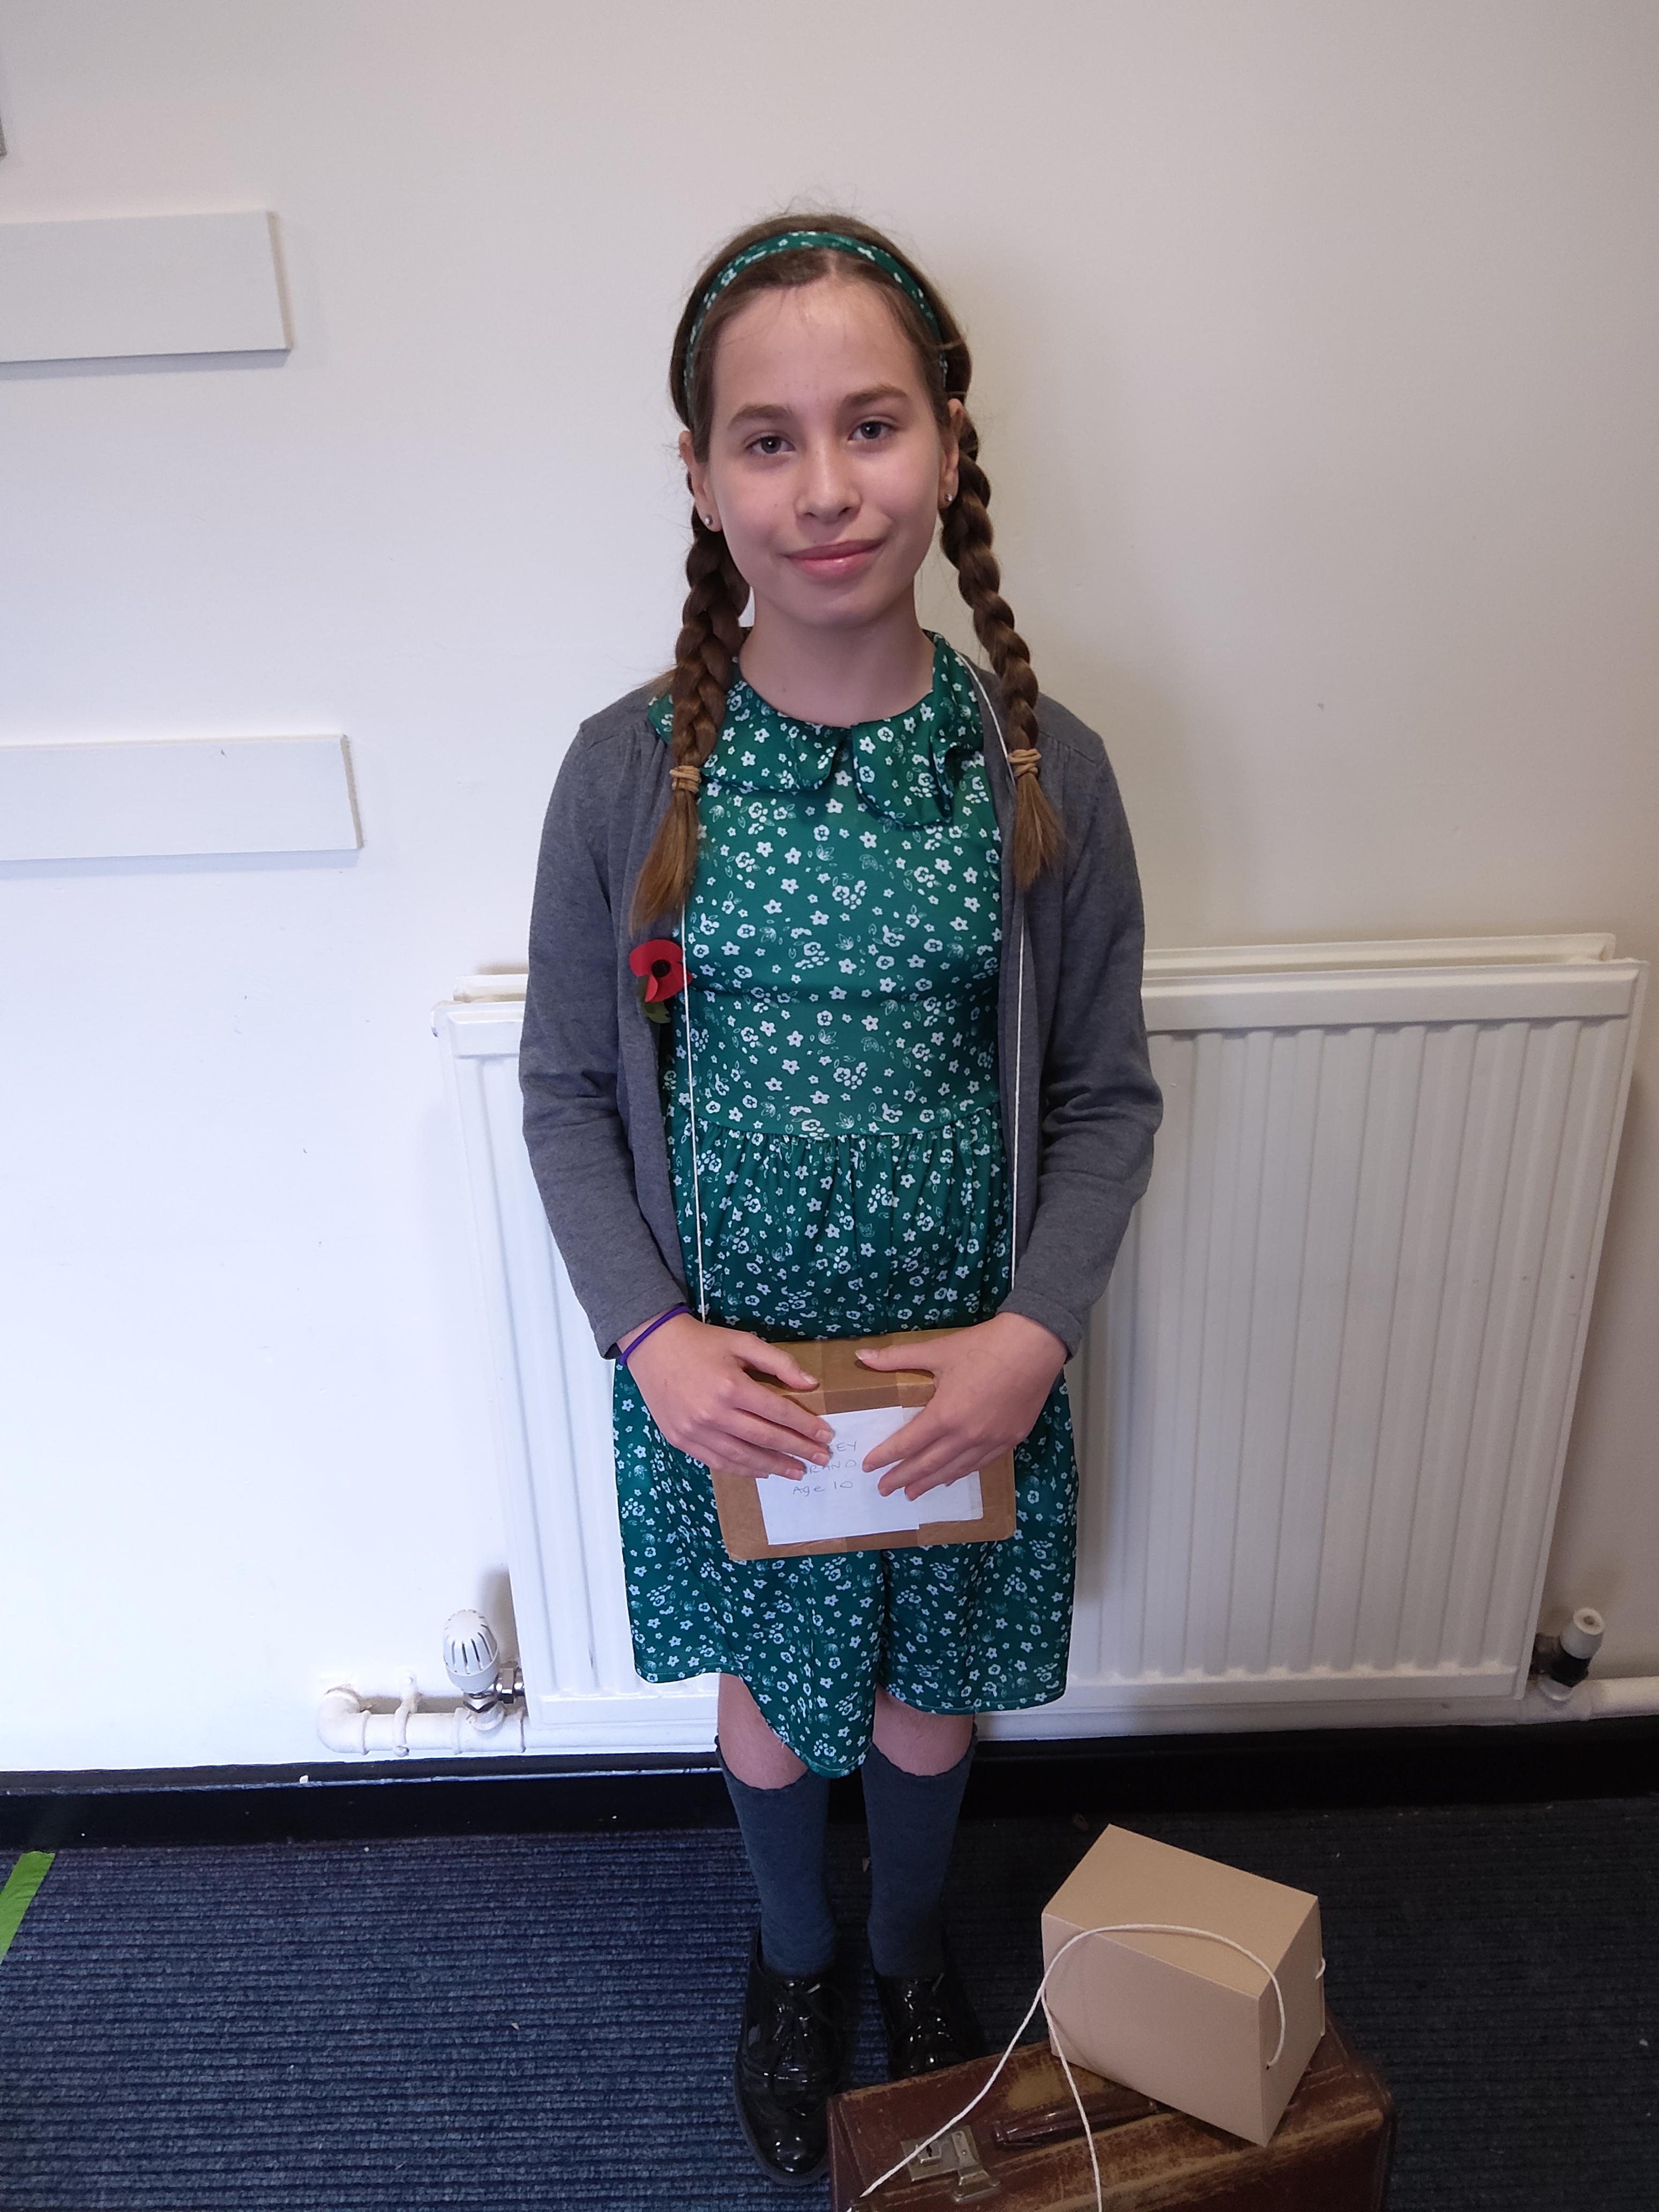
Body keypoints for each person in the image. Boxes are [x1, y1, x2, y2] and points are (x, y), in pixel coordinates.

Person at [519, 214, 1163, 2185]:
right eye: (768, 439)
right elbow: (566, 1092)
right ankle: (796, 1954)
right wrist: (652, 1338)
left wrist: (1033, 1337)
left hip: (959, 1374)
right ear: (702, 476)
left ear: (949, 444)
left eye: (870, 426)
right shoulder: (625, 776)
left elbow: (1103, 1094)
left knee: (926, 1704)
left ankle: (906, 1947)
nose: (825, 488)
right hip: (733, 1379)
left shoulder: (1039, 766)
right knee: (777, 1707)